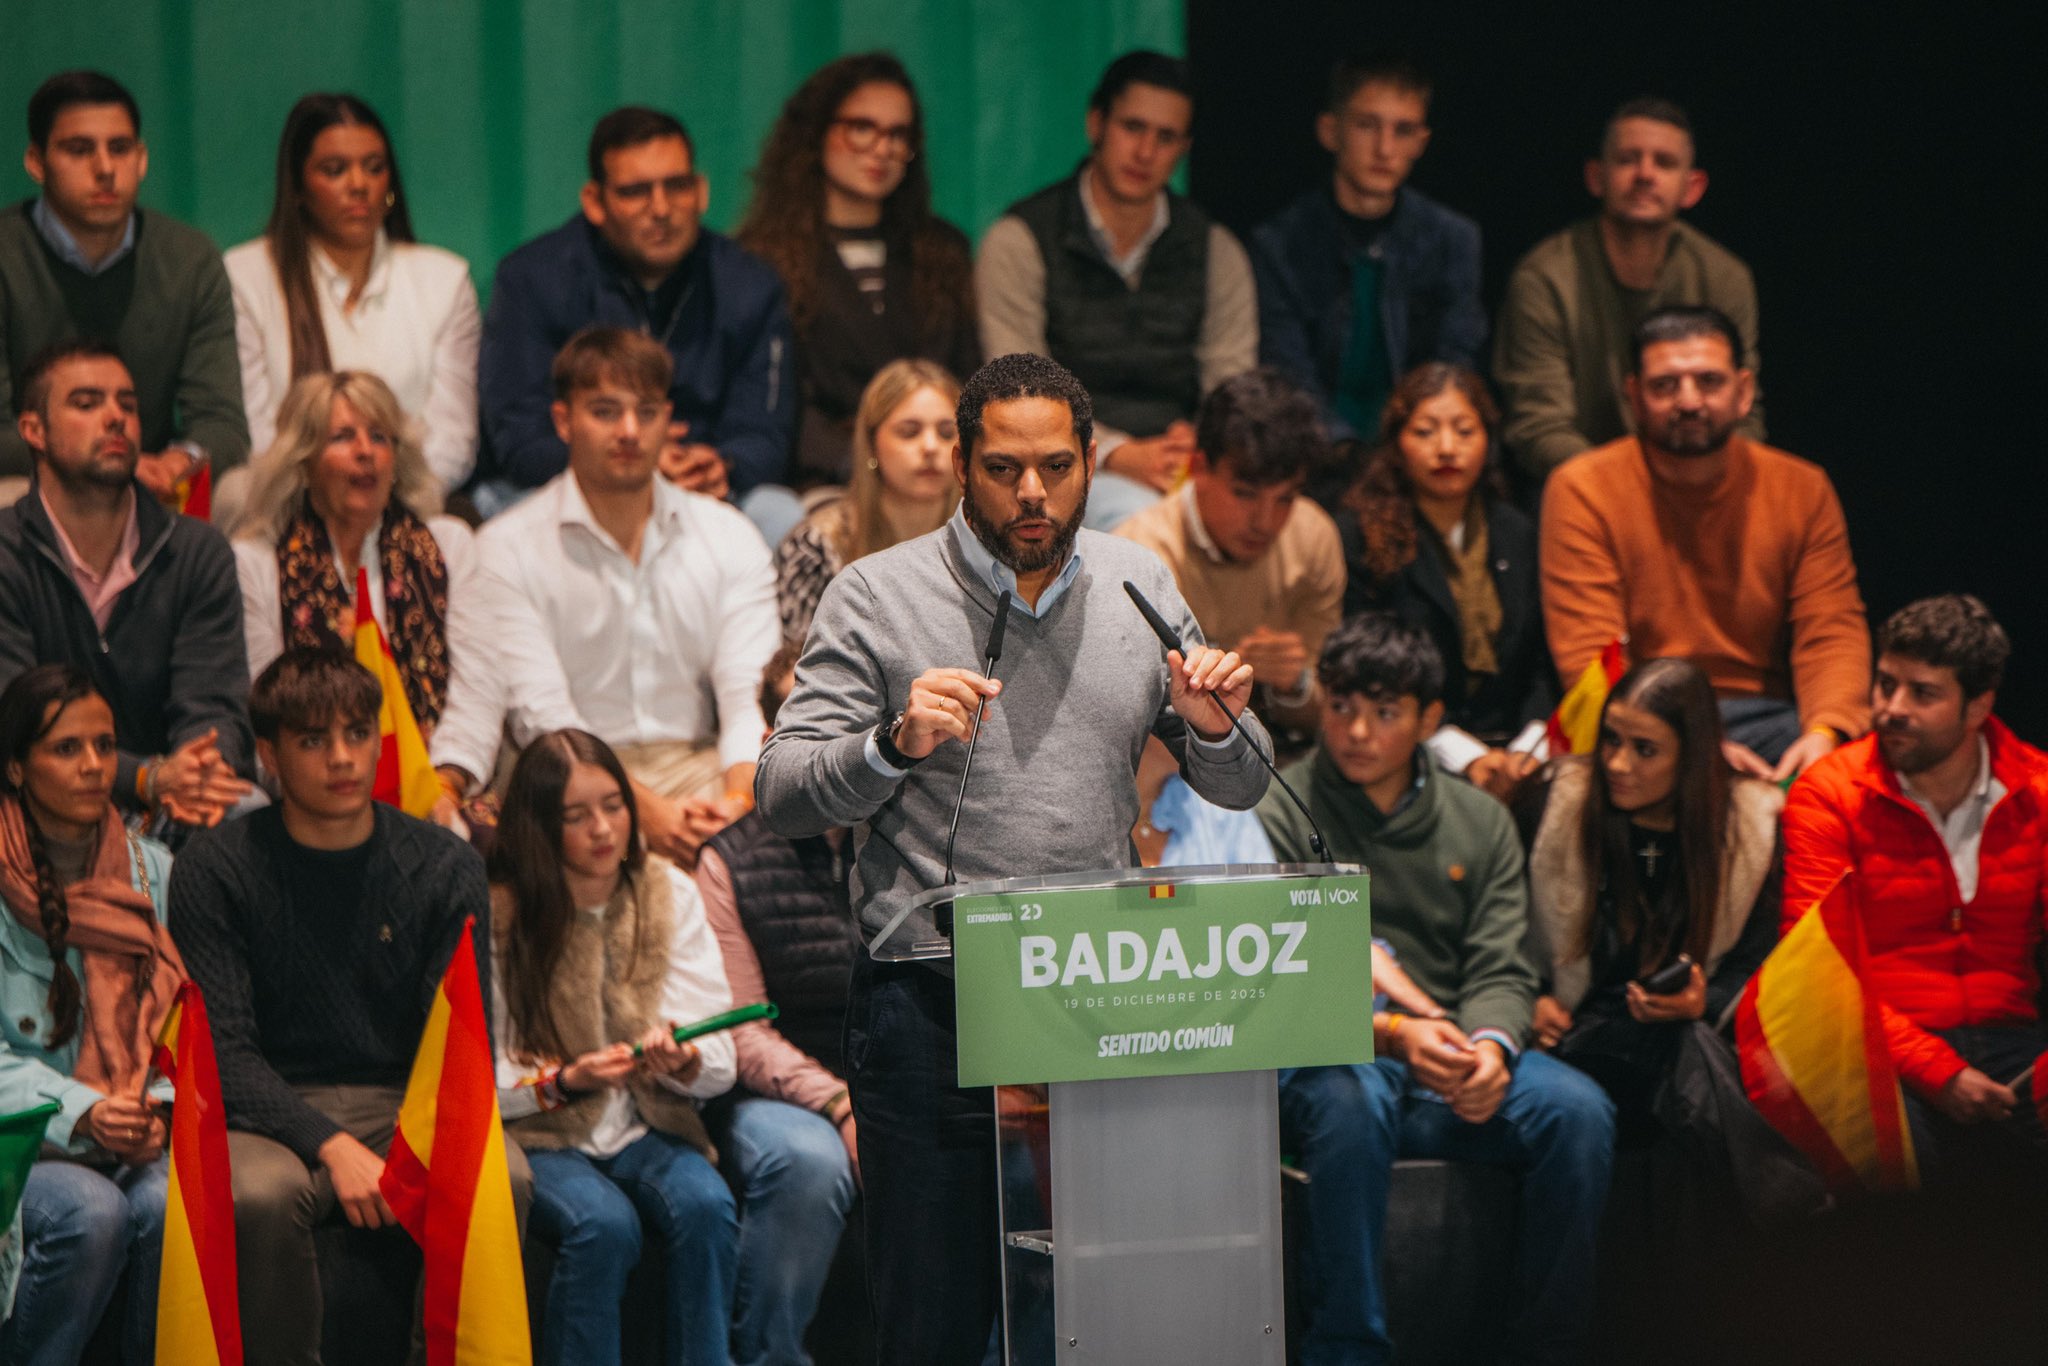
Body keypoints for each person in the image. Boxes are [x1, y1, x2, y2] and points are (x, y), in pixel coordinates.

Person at [756, 351, 1270, 1362]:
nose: (1032, 492)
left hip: (1100, 995)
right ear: (960, 465)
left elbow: (1245, 780)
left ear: (1090, 462)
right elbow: (782, 791)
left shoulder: (1139, 582)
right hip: (931, 1004)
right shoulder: (876, 595)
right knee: (934, 1324)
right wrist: (891, 745)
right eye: (1003, 468)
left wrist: (1214, 727)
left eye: (1055, 466)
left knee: (1101, 1319)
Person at [1258, 613, 1614, 1365]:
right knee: (1350, 1100)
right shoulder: (1278, 809)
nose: (1358, 732)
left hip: (1447, 1054)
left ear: (1429, 720)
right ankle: (1346, 1350)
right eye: (1341, 707)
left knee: (1578, 1112)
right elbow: (1282, 978)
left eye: (1385, 713)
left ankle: (1545, 1349)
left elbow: (1503, 965)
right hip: (1336, 1055)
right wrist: (1392, 1034)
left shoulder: (1478, 818)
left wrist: (1489, 1049)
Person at [167, 647, 528, 1363]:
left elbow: (461, 1046)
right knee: (260, 1195)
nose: (342, 758)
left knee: (502, 1177)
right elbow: (224, 1055)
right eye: (313, 740)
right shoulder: (215, 868)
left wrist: (402, 1143)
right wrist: (331, 1145)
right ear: (268, 755)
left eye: (358, 733)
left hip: (405, 1098)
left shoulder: (444, 865)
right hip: (268, 1107)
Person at [435, 327, 779, 868]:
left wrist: (737, 805)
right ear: (562, 420)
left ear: (669, 420)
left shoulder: (729, 535)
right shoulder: (505, 548)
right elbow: (545, 718)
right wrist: (646, 815)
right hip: (563, 777)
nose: (629, 431)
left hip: (701, 769)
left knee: (785, 823)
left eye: (647, 412)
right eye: (605, 411)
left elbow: (748, 697)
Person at [489, 729, 739, 1366]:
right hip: (542, 1136)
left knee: (708, 1205)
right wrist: (568, 1080)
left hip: (646, 1126)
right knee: (603, 1225)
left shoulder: (667, 891)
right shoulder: (502, 914)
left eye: (613, 806)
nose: (603, 829)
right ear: (538, 828)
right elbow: (481, 1081)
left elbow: (721, 1059)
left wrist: (683, 1062)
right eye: (575, 816)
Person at [1782, 595, 2048, 1178]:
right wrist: (1939, 1072)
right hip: (1879, 1046)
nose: (1891, 708)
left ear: (1978, 707)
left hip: (2013, 1040)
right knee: (1889, 1163)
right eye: (1885, 684)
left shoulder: (2037, 789)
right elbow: (1814, 973)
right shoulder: (1829, 792)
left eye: (1922, 693)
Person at [1541, 306, 1867, 780]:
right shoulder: (1583, 488)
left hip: (1769, 719)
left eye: (1709, 382)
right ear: (1634, 396)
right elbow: (1591, 656)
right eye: (1665, 385)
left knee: (1874, 761)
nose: (1689, 401)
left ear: (1744, 391)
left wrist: (1827, 732)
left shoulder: (1801, 488)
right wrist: (1693, 750)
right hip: (1643, 721)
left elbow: (1831, 630)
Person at [474, 105, 798, 538]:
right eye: (635, 192)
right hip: (571, 482)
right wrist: (636, 461)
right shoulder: (532, 279)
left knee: (779, 513)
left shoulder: (750, 284)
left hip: (703, 487)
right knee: (506, 513)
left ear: (701, 191)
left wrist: (723, 464)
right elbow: (520, 437)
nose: (661, 208)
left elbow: (765, 433)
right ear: (595, 202)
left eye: (677, 186)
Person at [976, 52, 1257, 531]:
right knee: (1143, 521)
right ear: (1096, 124)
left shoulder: (1215, 248)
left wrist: (1197, 445)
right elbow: (1018, 391)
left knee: (1295, 523)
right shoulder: (1021, 239)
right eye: (1132, 127)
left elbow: (1231, 387)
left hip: (1183, 462)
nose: (1145, 152)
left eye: (1165, 137)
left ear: (1184, 148)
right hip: (1063, 464)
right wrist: (1116, 452)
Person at [0, 665, 179, 1365]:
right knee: (91, 1209)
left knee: (170, 1203)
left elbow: (179, 1025)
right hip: (19, 1138)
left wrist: (154, 1108)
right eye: (66, 748)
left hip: (125, 1128)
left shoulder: (152, 871)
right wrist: (83, 1111)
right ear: (16, 767)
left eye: (105, 745)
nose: (95, 766)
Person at [0, 341, 254, 831]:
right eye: (87, 403)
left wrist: (201, 771)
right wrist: (142, 777)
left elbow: (214, 704)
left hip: (176, 803)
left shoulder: (197, 552)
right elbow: (14, 722)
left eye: (128, 405)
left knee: (246, 812)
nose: (116, 418)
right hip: (37, 801)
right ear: (33, 430)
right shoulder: (6, 552)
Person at [1526, 659, 1782, 1145]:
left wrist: (1704, 1001)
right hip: (1571, 1034)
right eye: (1611, 740)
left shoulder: (1752, 827)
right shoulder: (1558, 803)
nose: (1617, 764)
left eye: (1644, 750)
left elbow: (1758, 962)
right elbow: (1500, 927)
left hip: (1686, 1038)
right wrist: (1532, 998)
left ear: (1691, 756)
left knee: (1692, 1062)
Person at [694, 645, 864, 1364]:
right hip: (771, 1094)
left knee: (1010, 1155)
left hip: (886, 1072)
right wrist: (840, 1104)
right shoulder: (726, 859)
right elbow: (744, 1032)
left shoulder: (901, 837)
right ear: (772, 743)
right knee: (807, 1163)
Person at [230, 371, 498, 789]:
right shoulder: (257, 563)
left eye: (379, 437)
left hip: (436, 788)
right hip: (311, 797)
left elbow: (478, 689)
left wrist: (444, 783)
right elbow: (264, 710)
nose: (365, 451)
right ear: (304, 461)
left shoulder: (448, 546)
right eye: (342, 438)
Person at [736, 53, 979, 488]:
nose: (882, 149)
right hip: (822, 481)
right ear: (816, 132)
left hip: (939, 475)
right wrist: (871, 463)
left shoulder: (943, 250)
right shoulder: (760, 258)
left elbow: (969, 381)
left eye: (898, 134)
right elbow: (777, 406)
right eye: (862, 128)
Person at [0, 71, 246, 496]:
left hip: (156, 483)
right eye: (79, 150)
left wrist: (181, 459)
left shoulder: (190, 259)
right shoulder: (8, 255)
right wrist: (105, 463)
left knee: (241, 491)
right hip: (41, 478)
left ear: (142, 159)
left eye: (119, 148)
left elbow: (222, 423)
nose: (105, 168)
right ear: (36, 162)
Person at [225, 93, 481, 495]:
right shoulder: (246, 276)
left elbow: (453, 439)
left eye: (375, 168)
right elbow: (255, 434)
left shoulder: (444, 280)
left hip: (409, 502)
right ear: (298, 186)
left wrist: (380, 502)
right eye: (335, 170)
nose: (359, 185)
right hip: (285, 503)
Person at [1494, 97, 1762, 480]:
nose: (1645, 175)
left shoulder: (1724, 276)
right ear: (1596, 177)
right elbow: (1539, 425)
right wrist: (1627, 493)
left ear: (1692, 187)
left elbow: (1742, 411)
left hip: (1697, 479)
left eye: (1664, 162)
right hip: (1584, 483)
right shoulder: (1544, 277)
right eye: (1627, 160)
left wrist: (1702, 486)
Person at [1248, 51, 1485, 448]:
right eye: (1366, 125)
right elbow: (1288, 374)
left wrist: (1411, 449)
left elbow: (1454, 364)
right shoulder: (1280, 244)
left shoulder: (1452, 240)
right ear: (1330, 131)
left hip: (1420, 452)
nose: (1385, 149)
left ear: (1421, 142)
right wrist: (1346, 452)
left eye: (1403, 130)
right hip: (1314, 454)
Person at [1344, 362, 1552, 800]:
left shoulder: (1517, 532)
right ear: (1396, 443)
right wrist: (1465, 756)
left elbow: (1541, 659)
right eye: (1425, 432)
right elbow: (1371, 666)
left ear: (1488, 440)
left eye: (1464, 431)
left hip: (1517, 750)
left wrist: (1527, 748)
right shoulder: (1362, 537)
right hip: (1412, 750)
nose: (1446, 448)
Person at [1115, 368, 1344, 734]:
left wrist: (1295, 684)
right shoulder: (1141, 554)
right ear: (1198, 467)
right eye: (1245, 494)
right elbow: (1131, 717)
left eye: (1285, 498)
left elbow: (1334, 711)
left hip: (1280, 748)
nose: (1265, 522)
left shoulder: (1313, 536)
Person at [773, 358, 960, 644]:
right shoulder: (816, 547)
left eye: (947, 433)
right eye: (909, 432)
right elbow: (796, 664)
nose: (931, 447)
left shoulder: (985, 541)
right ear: (872, 444)